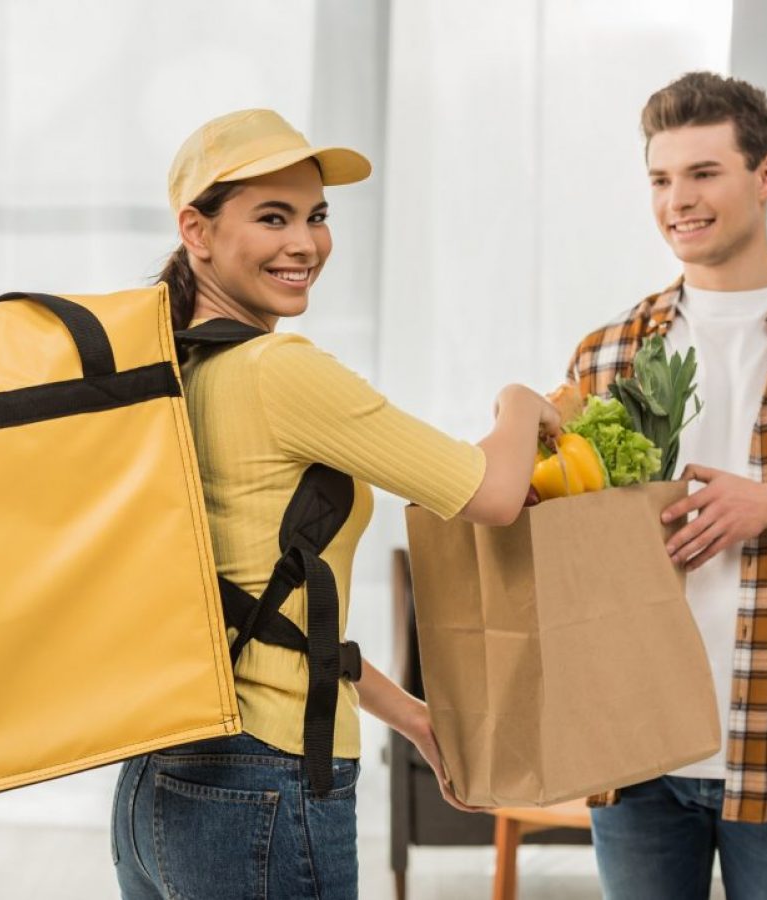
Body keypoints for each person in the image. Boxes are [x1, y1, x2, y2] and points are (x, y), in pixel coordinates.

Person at [111, 108, 560, 900]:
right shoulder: (278, 371)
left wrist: (416, 717)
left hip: (158, 783)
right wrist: (521, 401)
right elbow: (491, 495)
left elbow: (262, 610)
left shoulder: (166, 366)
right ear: (198, 231)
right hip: (268, 785)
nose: (305, 244)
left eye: (317, 217)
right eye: (272, 217)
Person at [567, 72, 767, 900]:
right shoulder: (605, 353)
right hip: (633, 740)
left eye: (703, 174)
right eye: (661, 179)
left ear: (765, 176)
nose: (677, 201)